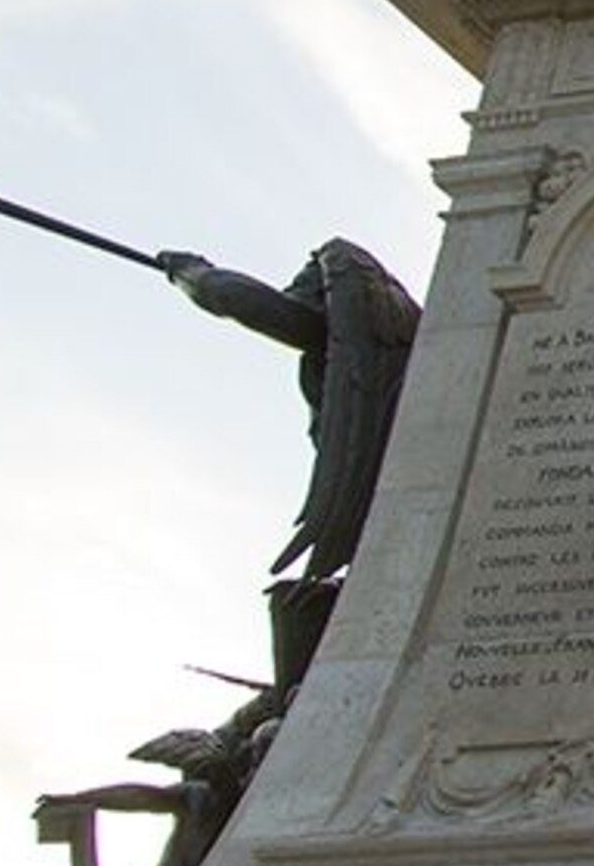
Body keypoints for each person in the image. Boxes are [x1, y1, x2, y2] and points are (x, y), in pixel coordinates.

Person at [156, 241, 419, 689]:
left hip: (385, 499)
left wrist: (192, 273)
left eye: (306, 283)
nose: (293, 291)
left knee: (307, 605)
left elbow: (249, 304)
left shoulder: (356, 292)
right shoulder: (391, 342)